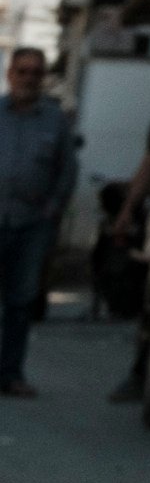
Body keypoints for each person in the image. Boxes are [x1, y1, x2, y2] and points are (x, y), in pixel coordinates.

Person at [0, 43, 77, 400]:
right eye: (22, 71)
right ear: (9, 75)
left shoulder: (55, 120)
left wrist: (52, 210)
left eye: (36, 72)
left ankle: (10, 374)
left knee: (21, 300)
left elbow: (67, 170)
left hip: (33, 224)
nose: (28, 78)